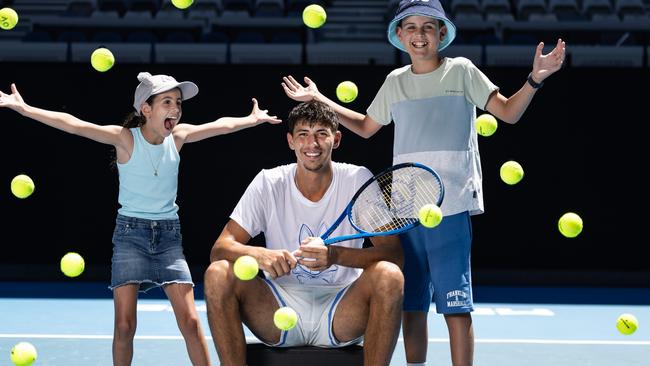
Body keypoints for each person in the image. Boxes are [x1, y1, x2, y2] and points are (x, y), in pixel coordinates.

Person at [281, 1, 567, 365]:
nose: (420, 35)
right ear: (400, 36)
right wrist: (319, 98)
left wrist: (535, 79)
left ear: (441, 34)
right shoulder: (394, 82)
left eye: (428, 27)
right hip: (405, 212)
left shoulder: (462, 71)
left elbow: (508, 112)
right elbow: (367, 128)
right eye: (411, 28)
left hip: (451, 208)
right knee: (411, 305)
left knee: (455, 306)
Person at [0, 72, 282, 366]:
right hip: (129, 238)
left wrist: (251, 119)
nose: (175, 109)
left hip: (169, 239)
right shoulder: (125, 138)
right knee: (124, 325)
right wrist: (25, 108)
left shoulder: (179, 136)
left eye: (178, 103)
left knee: (190, 321)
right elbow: (74, 126)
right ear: (146, 109)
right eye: (167, 102)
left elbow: (220, 126)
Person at [203, 100, 404, 366]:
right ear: (291, 141)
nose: (313, 144)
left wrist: (335, 255)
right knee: (217, 274)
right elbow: (220, 249)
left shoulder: (356, 180)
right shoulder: (269, 182)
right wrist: (261, 255)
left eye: (322, 133)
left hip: (342, 308)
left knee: (390, 276)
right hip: (277, 307)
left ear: (337, 139)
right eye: (303, 135)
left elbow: (394, 254)